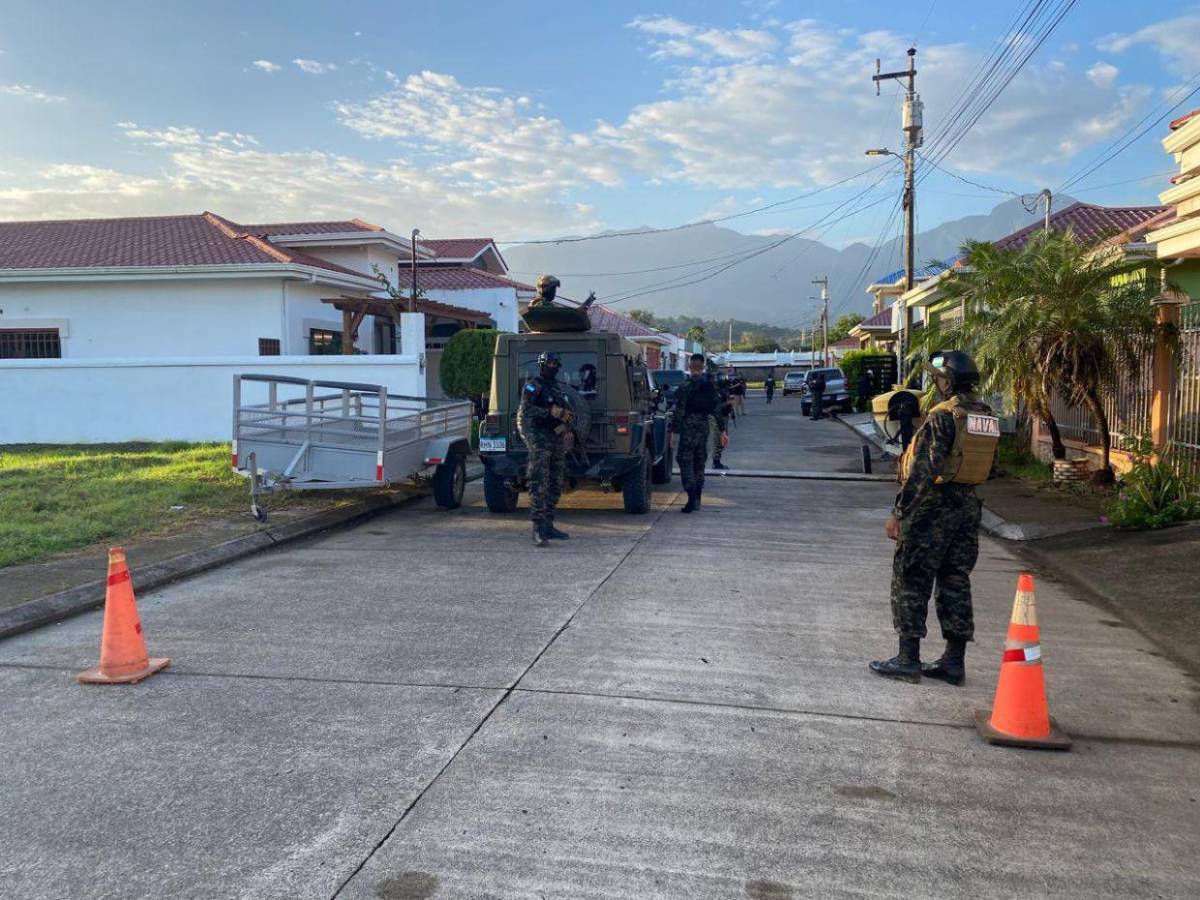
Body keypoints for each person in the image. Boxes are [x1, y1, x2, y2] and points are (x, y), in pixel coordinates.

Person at [870, 351, 1000, 684]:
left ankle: (907, 658)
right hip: (968, 506)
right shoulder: (985, 415)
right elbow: (991, 466)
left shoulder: (945, 416)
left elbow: (924, 471)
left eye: (940, 378)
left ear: (948, 381)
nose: (937, 383)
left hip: (933, 506)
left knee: (911, 577)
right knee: (955, 580)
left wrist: (900, 511)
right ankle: (954, 662)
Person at [516, 351, 573, 546]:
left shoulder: (556, 387)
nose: (553, 367)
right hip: (537, 437)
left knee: (555, 481)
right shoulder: (533, 385)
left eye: (556, 363)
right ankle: (538, 529)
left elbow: (562, 414)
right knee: (539, 481)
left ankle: (548, 524)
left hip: (554, 437)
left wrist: (565, 424)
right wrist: (550, 412)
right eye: (549, 363)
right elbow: (526, 410)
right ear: (541, 365)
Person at [672, 353, 728, 513]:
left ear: (690, 367)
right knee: (699, 462)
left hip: (688, 428)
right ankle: (697, 499)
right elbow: (718, 409)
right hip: (704, 427)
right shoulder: (710, 385)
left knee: (684, 460)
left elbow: (679, 411)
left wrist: (673, 434)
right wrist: (723, 431)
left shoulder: (685, 386)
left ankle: (691, 497)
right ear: (703, 367)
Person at [710, 373, 733, 470]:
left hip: (723, 417)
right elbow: (717, 409)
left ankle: (717, 460)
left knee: (723, 441)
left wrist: (730, 408)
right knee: (717, 440)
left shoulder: (724, 391)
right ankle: (716, 462)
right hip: (717, 418)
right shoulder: (716, 392)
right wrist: (727, 403)